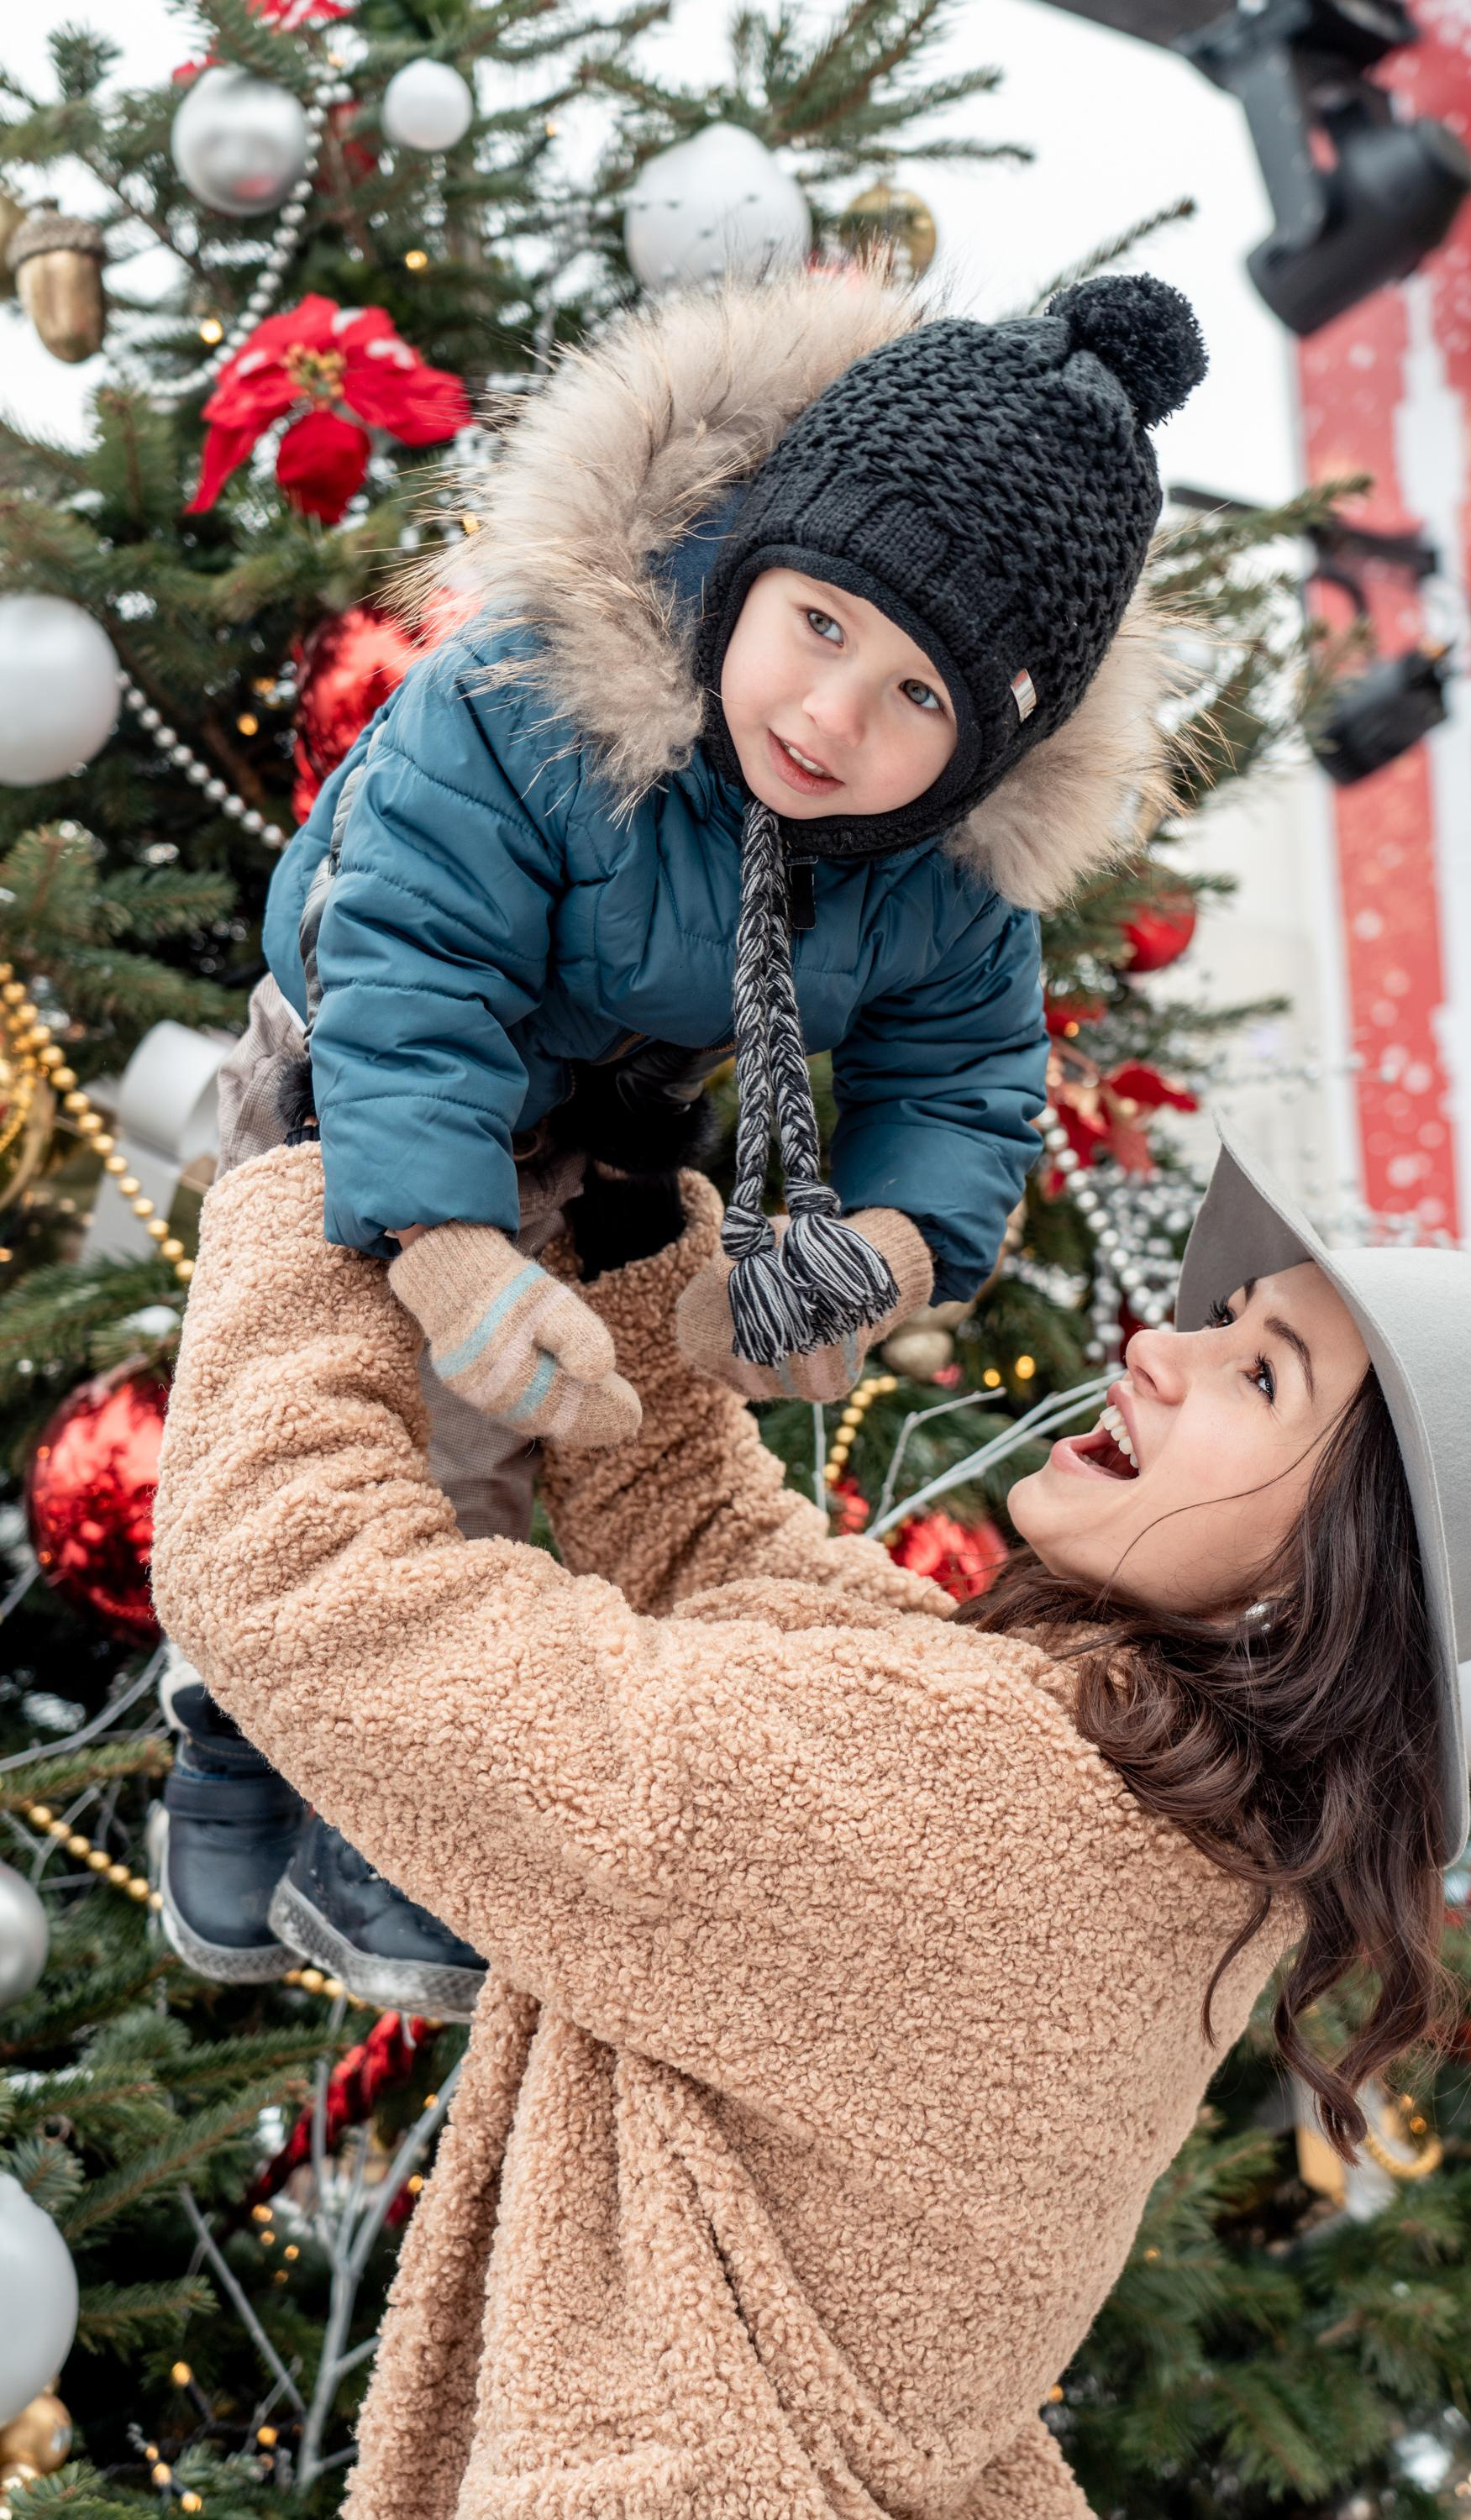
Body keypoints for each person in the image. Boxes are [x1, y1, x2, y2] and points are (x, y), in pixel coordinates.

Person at [151, 1128, 1471, 2520]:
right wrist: (628, 1206)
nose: (1156, 1350)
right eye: (1217, 1313)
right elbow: (708, 1551)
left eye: (1255, 1376)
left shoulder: (1006, 1813)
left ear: (1322, 1577)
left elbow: (313, 1596)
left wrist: (339, 1166)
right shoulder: (1148, 1816)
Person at [158, 260, 1206, 2008]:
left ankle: (388, 1816)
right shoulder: (534, 701)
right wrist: (442, 1238)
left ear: (987, 744)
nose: (829, 720)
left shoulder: (941, 883)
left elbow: (967, 1086)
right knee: (323, 1422)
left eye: (917, 702)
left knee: (506, 1460)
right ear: (751, 561)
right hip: (355, 1072)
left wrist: (871, 1256)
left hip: (591, 1126)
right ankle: (236, 1733)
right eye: (820, 629)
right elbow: (406, 957)